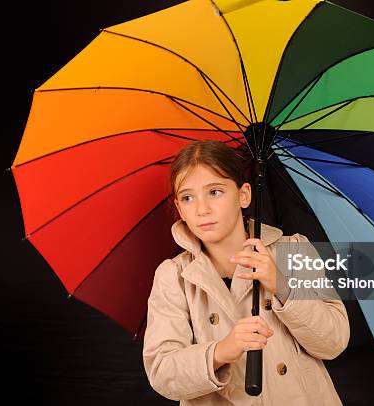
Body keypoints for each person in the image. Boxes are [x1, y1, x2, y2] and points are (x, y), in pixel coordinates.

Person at [142, 140, 350, 405]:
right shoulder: (174, 276)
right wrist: (221, 351)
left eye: (215, 192)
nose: (202, 209)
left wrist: (280, 284)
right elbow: (162, 374)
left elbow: (332, 342)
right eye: (187, 197)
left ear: (244, 195)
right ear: (179, 207)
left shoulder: (292, 251)